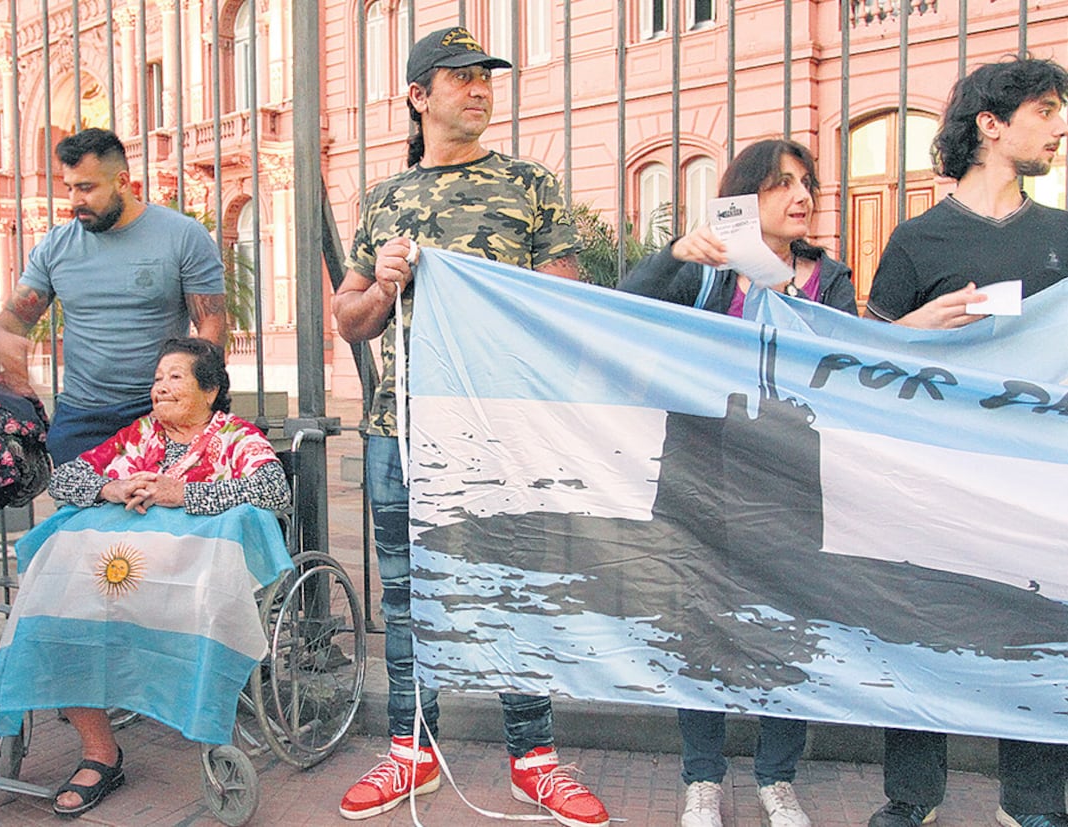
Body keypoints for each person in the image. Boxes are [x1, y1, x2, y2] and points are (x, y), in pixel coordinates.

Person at [332, 26, 609, 827]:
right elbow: (349, 321)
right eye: (460, 78)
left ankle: (533, 761)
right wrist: (382, 287)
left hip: (502, 427)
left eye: (485, 77)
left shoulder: (530, 183)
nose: (480, 89)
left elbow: (562, 301)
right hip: (400, 427)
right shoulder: (385, 199)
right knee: (410, 593)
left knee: (514, 587)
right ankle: (410, 753)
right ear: (419, 97)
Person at [620, 139, 854, 827]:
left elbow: (845, 362)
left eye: (806, 182)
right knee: (700, 622)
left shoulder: (828, 279)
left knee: (786, 626)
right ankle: (702, 778)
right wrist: (671, 256)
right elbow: (618, 308)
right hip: (702, 476)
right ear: (742, 198)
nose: (801, 195)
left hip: (789, 483)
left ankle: (776, 778)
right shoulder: (710, 272)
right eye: (781, 183)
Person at [862, 56, 1068, 827]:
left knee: (1040, 639)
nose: (1059, 126)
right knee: (918, 634)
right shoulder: (917, 239)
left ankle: (1036, 803)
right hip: (932, 483)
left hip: (1038, 484)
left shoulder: (1063, 236)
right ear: (990, 123)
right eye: (1044, 110)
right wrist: (911, 329)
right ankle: (910, 799)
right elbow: (862, 361)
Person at [40, 337, 289, 817]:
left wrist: (186, 494)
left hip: (196, 582)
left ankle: (203, 724)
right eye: (156, 379)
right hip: (122, 576)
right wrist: (110, 487)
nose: (160, 388)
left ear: (210, 390)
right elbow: (64, 480)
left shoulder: (235, 437)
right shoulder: (139, 436)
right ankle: (100, 752)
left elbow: (271, 488)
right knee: (54, 613)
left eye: (175, 377)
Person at [0, 128, 228, 465]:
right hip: (81, 416)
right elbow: (9, 324)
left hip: (160, 410)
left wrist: (198, 399)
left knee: (156, 513)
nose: (75, 200)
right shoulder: (56, 246)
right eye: (70, 187)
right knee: (81, 518)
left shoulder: (183, 236)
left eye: (87, 188)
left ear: (121, 182)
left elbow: (212, 323)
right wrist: (14, 368)